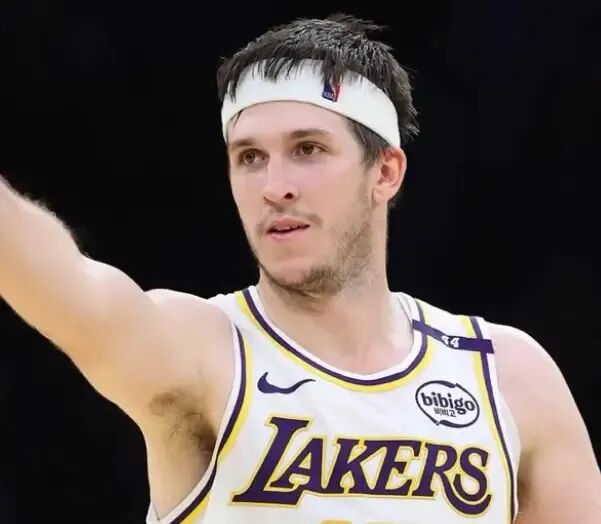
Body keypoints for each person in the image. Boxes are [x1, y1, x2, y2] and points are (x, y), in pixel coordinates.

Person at [0, 13, 599, 524]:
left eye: (307, 149)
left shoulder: (507, 375)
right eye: (250, 157)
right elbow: (61, 280)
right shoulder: (203, 350)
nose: (275, 186)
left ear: (385, 172)